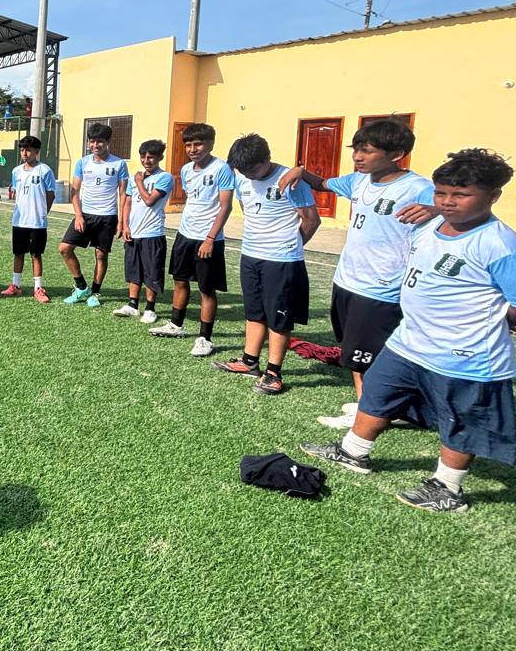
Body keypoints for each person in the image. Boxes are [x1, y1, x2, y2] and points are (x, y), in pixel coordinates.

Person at [302, 149, 516, 513]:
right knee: (377, 391)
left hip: (464, 356)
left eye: (460, 195)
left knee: (459, 419)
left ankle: (447, 488)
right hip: (409, 342)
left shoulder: (499, 244)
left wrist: (484, 322)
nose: (448, 202)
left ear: (493, 195)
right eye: (441, 193)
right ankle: (354, 452)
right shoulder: (430, 222)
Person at [279, 119, 437, 428]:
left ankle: (372, 412)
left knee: (371, 356)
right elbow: (324, 184)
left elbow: (458, 213)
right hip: (347, 280)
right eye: (356, 150)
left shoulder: (419, 188)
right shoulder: (358, 180)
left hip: (381, 288)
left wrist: (436, 210)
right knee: (354, 352)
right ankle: (371, 405)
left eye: (367, 151)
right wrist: (301, 172)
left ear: (396, 154)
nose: (357, 157)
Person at [212, 133, 320, 395]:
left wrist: (289, 245)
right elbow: (248, 209)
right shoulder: (242, 179)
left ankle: (273, 372)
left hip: (282, 261)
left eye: (252, 169)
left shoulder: (290, 181)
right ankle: (249, 361)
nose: (247, 174)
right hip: (250, 256)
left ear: (267, 159)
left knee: (279, 318)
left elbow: (311, 220)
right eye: (243, 170)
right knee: (254, 312)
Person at [149, 123, 235, 356]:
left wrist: (210, 238)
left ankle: (205, 338)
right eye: (188, 145)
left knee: (206, 289)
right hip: (185, 235)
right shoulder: (186, 170)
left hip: (208, 239)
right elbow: (192, 199)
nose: (192, 149)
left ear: (211, 144)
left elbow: (225, 206)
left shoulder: (222, 169)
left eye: (198, 144)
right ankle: (176, 324)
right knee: (180, 280)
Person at [60, 122, 128, 308]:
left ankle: (95, 292)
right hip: (86, 215)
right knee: (65, 248)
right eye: (92, 141)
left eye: (99, 141)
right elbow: (74, 191)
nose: (95, 145)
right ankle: (82, 287)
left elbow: (123, 194)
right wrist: (79, 216)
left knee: (101, 254)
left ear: (107, 142)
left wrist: (121, 221)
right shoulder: (82, 162)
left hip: (107, 216)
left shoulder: (119, 164)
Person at [113, 140, 173, 324]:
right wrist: (125, 225)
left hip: (152, 233)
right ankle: (132, 304)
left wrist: (139, 182)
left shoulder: (165, 177)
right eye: (143, 157)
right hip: (134, 232)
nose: (146, 161)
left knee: (151, 272)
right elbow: (128, 202)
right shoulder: (134, 178)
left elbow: (149, 200)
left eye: (151, 157)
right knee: (133, 270)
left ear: (160, 157)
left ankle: (150, 308)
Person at [0, 135, 56, 303]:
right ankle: (15, 285)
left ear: (36, 152)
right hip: (19, 221)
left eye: (28, 150)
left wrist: (43, 213)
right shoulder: (16, 171)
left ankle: (38, 288)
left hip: (37, 222)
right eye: (22, 149)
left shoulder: (44, 170)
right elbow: (16, 193)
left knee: (36, 255)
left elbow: (50, 195)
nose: (24, 153)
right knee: (18, 253)